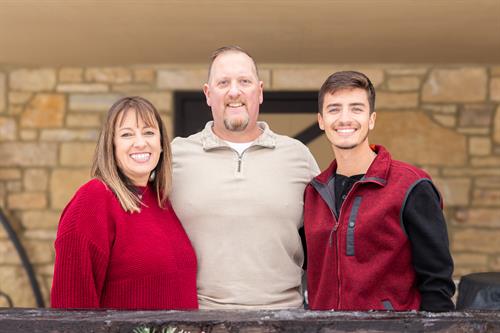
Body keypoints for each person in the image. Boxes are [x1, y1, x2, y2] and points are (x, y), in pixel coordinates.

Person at [169, 46, 320, 309]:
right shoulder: (175, 156)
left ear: (259, 92)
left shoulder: (299, 157)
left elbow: (327, 242)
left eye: (244, 81)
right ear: (208, 94)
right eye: (223, 82)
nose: (234, 91)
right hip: (196, 321)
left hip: (283, 321)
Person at [304, 71, 455, 312]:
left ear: (371, 119)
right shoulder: (314, 192)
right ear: (321, 120)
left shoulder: (411, 186)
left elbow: (437, 286)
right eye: (334, 109)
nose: (345, 118)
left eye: (356, 108)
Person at [51, 96, 198, 310]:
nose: (140, 142)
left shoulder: (162, 201)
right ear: (111, 145)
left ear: (161, 144)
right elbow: (70, 308)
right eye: (127, 134)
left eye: (149, 132)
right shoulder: (94, 200)